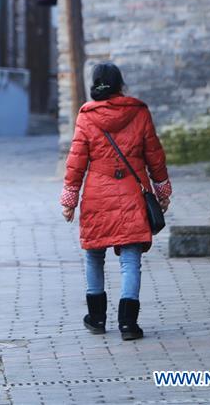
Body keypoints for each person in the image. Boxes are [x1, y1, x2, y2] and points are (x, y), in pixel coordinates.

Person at [60, 62, 172, 340]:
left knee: (94, 255)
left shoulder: (86, 117)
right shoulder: (139, 113)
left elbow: (76, 161)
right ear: (121, 84)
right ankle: (128, 324)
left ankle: (97, 318)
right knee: (131, 260)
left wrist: (69, 199)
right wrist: (162, 190)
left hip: (97, 193)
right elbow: (154, 155)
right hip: (134, 192)